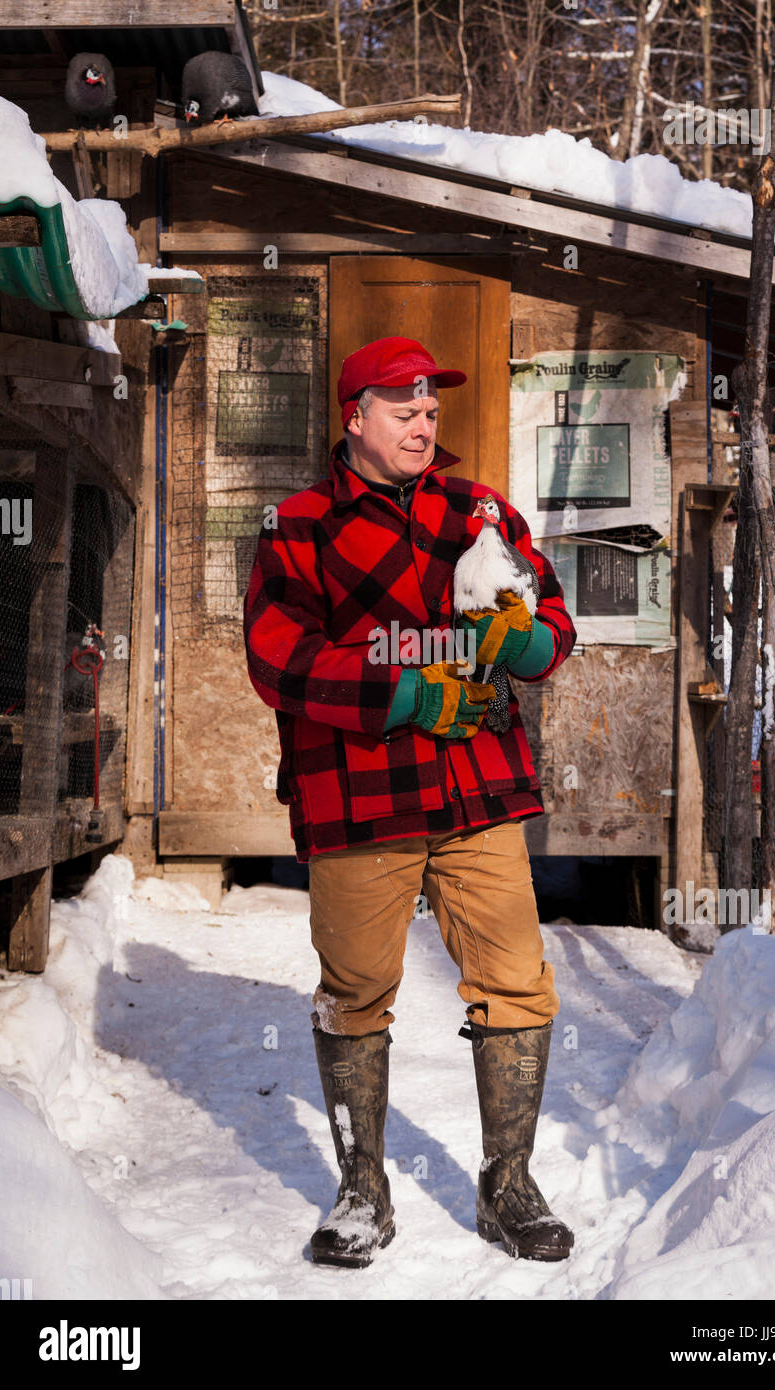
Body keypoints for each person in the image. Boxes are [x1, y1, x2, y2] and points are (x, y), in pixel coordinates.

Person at [243, 335, 577, 1268]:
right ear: (355, 418)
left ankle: (508, 1185)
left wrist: (523, 645)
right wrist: (402, 692)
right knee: (355, 993)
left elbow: (552, 622)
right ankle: (362, 1192)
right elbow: (277, 657)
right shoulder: (297, 526)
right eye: (404, 410)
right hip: (360, 795)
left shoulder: (481, 513)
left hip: (480, 788)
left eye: (431, 409)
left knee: (516, 978)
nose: (425, 424)